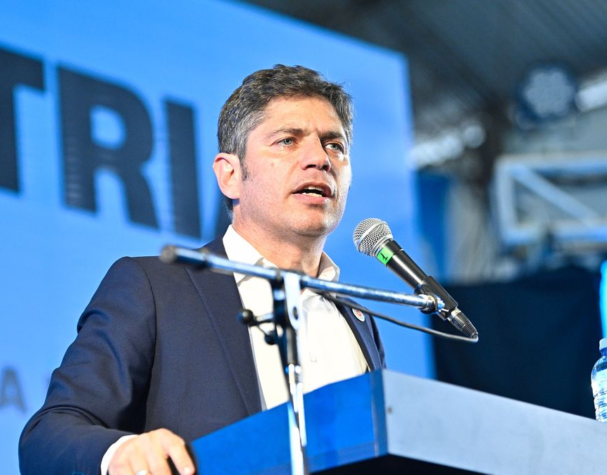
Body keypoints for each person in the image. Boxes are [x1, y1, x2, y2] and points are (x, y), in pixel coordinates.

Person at [19, 65, 386, 475]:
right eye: (287, 141)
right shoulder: (155, 288)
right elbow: (48, 437)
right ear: (230, 175)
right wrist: (121, 453)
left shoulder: (357, 318)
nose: (319, 159)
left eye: (334, 145)